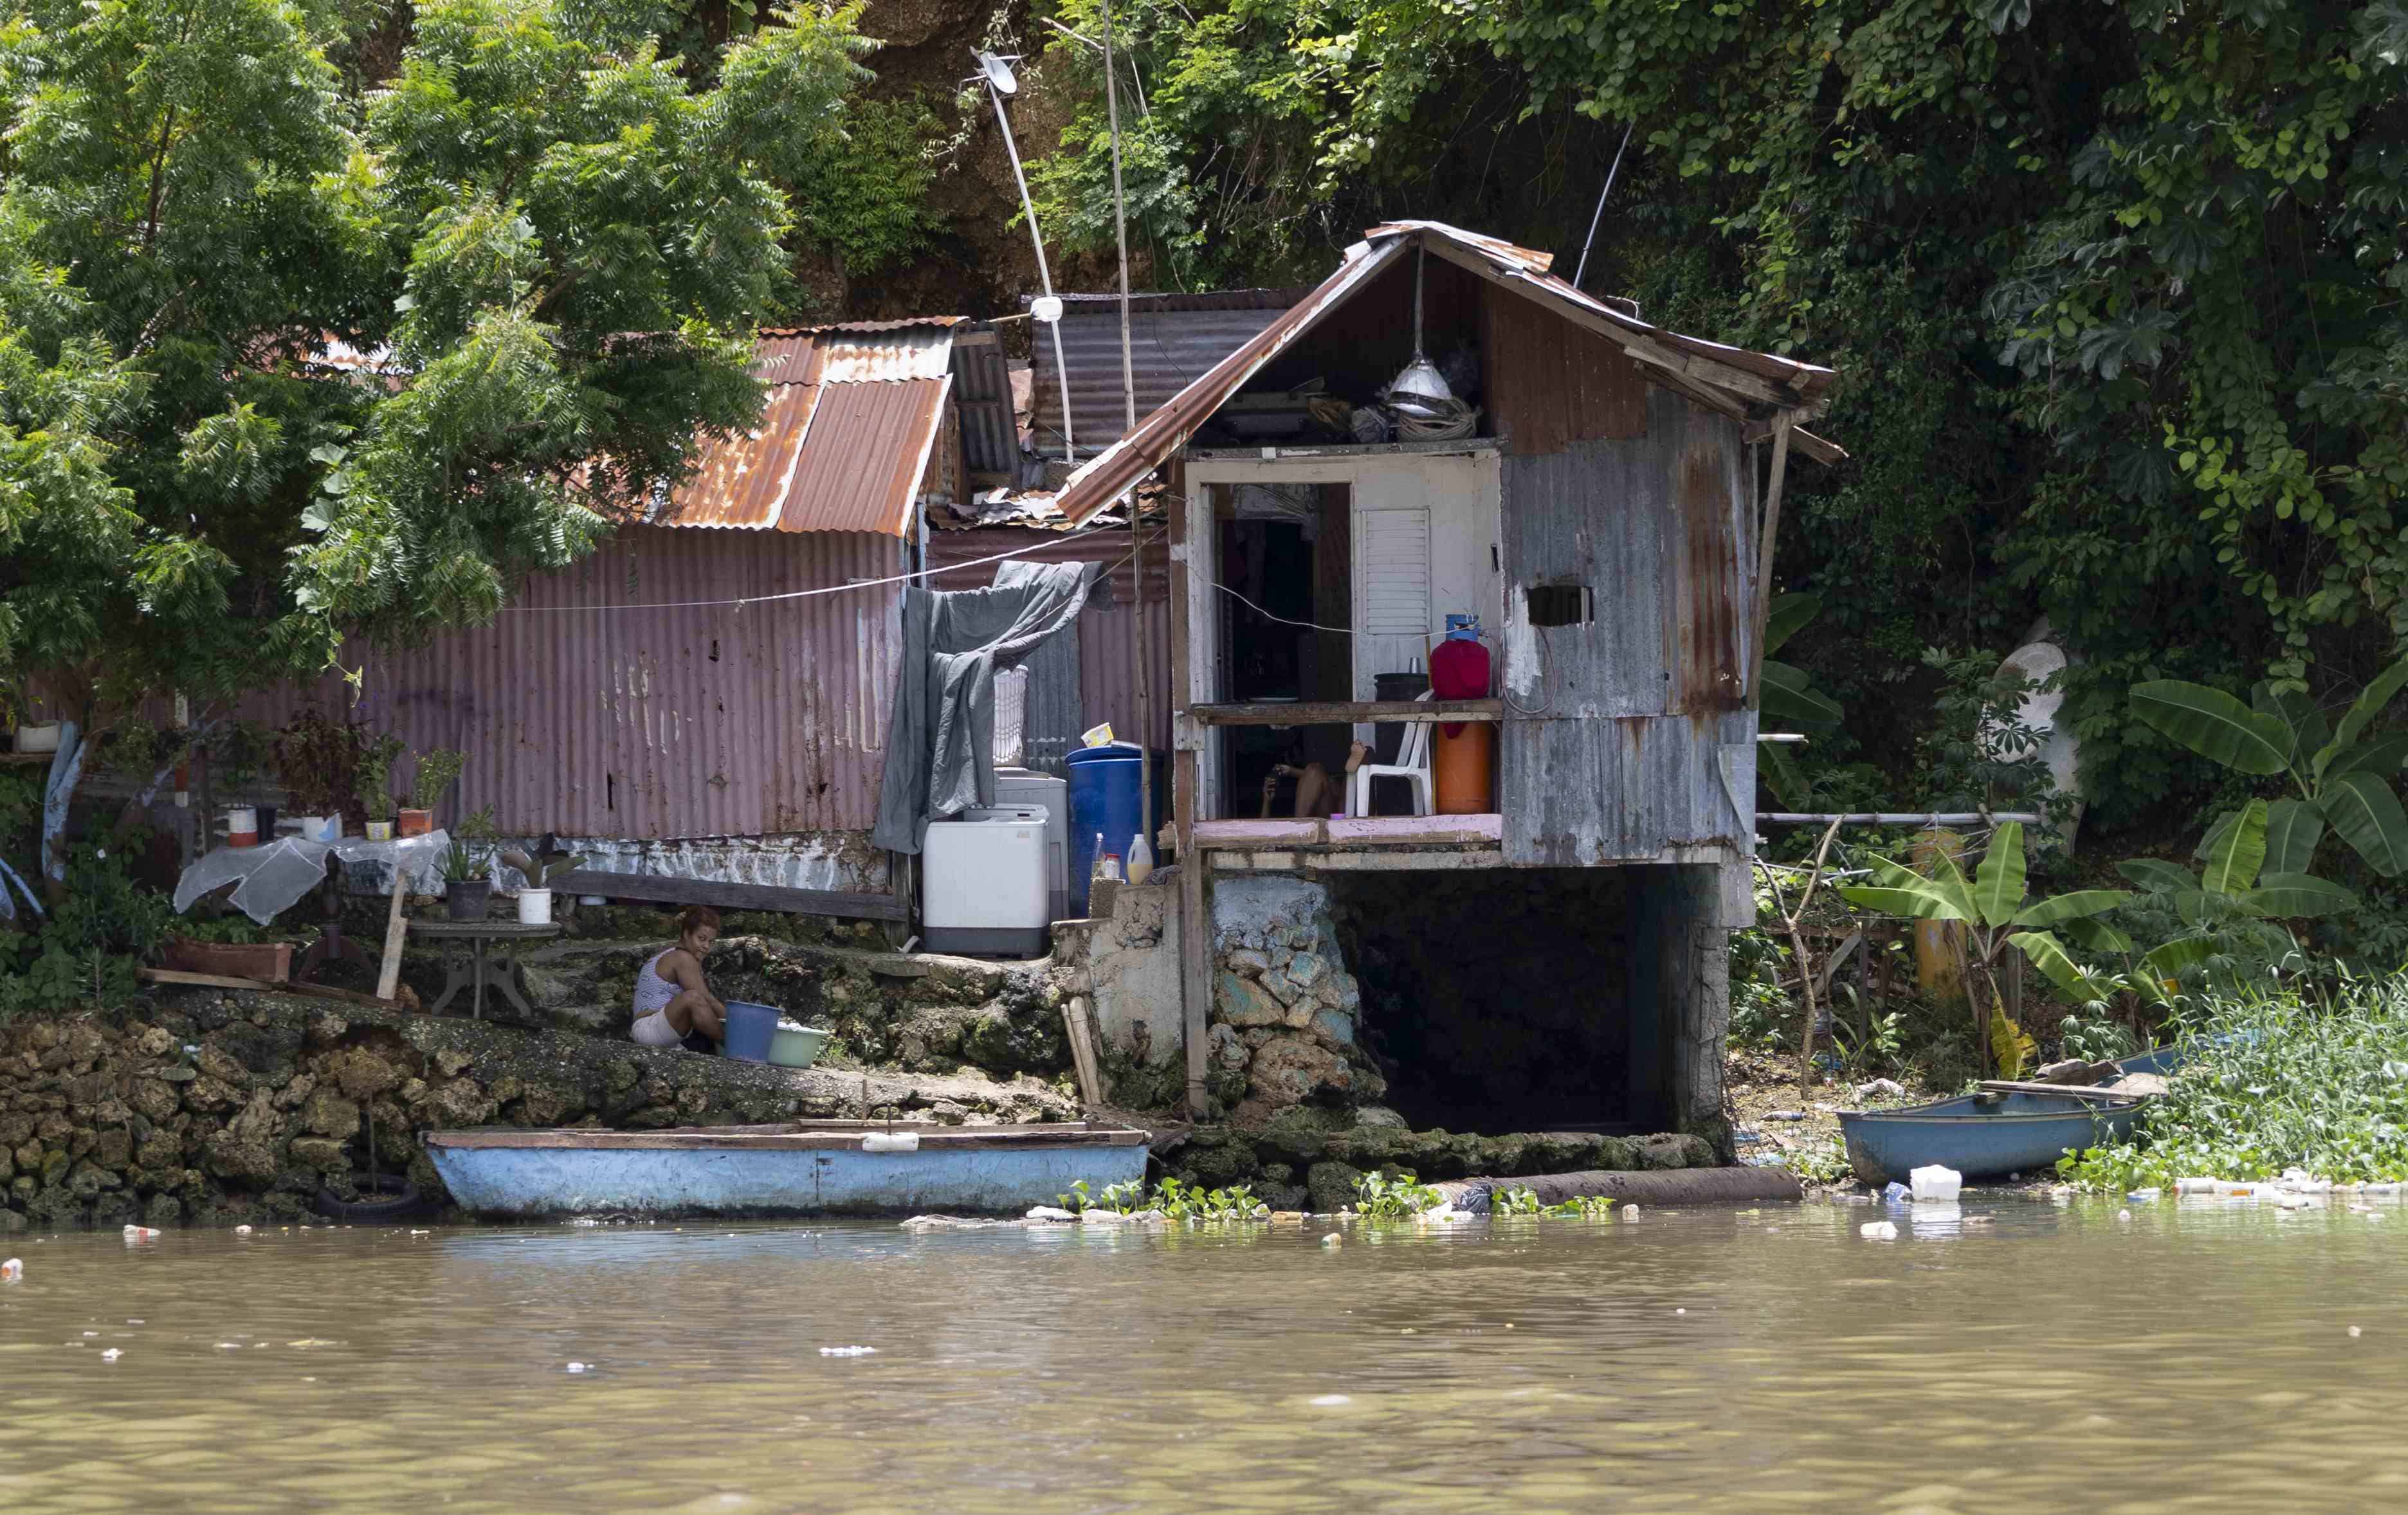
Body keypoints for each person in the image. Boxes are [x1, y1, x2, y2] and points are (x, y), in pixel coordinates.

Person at [630, 905, 727, 1053]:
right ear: (687, 934)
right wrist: (738, 1026)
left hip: (661, 1028)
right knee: (693, 998)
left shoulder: (679, 953)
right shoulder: (682, 957)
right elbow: (707, 999)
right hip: (649, 1029)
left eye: (711, 942)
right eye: (702, 939)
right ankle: (734, 1045)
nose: (707, 946)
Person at [1259, 739, 1371, 819]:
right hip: (1321, 827)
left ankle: (1352, 773)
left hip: (1339, 822)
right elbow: (1262, 838)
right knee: (1316, 771)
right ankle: (1300, 829)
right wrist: (1267, 802)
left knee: (1317, 771)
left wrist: (1292, 772)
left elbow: (1323, 780)